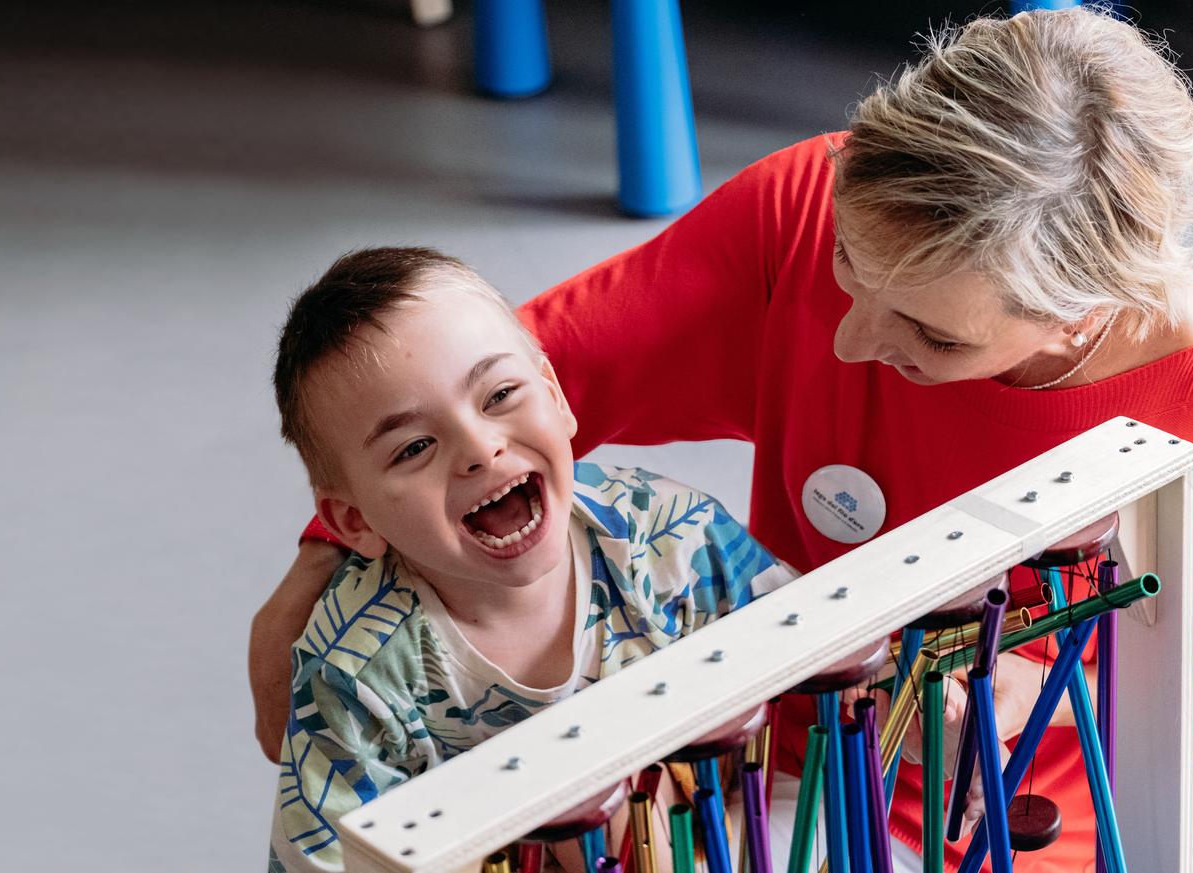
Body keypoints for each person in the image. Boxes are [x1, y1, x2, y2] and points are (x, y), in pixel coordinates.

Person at [251, 9, 1193, 872]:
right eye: (850, 265)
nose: (844, 335)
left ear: (1076, 315)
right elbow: (517, 379)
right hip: (751, 789)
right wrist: (321, 548)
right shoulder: (806, 203)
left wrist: (1047, 681)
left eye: (927, 334)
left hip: (988, 820)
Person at [265, 247, 795, 871]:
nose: (480, 448)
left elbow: (817, 649)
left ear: (557, 397)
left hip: (732, 834)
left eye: (499, 395)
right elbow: (320, 860)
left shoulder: (669, 534)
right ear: (355, 522)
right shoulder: (355, 673)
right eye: (413, 447)